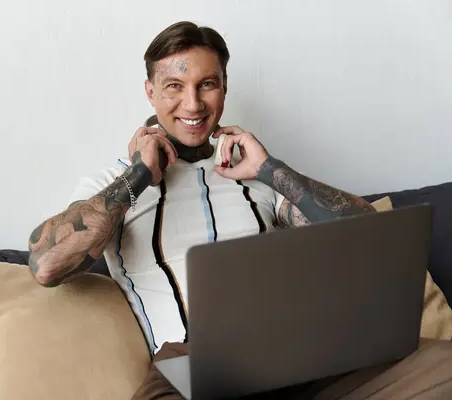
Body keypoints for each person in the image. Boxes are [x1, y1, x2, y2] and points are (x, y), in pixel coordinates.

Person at [28, 21, 452, 399]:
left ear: (224, 88)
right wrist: (138, 176)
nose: (193, 105)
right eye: (175, 86)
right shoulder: (115, 186)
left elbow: (372, 238)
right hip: (192, 370)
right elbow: (46, 265)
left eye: (207, 84)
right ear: (150, 92)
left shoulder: (255, 174)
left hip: (299, 356)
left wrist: (271, 170)